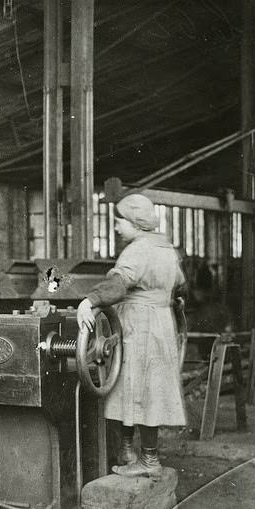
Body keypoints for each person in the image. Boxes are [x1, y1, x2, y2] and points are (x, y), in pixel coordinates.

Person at [77, 193, 187, 478]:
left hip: (140, 326)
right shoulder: (165, 248)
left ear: (135, 223)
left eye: (119, 221)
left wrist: (88, 302)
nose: (115, 227)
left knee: (141, 389)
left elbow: (118, 285)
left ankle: (148, 461)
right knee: (133, 387)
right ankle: (129, 452)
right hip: (160, 323)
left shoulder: (138, 250)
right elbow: (180, 287)